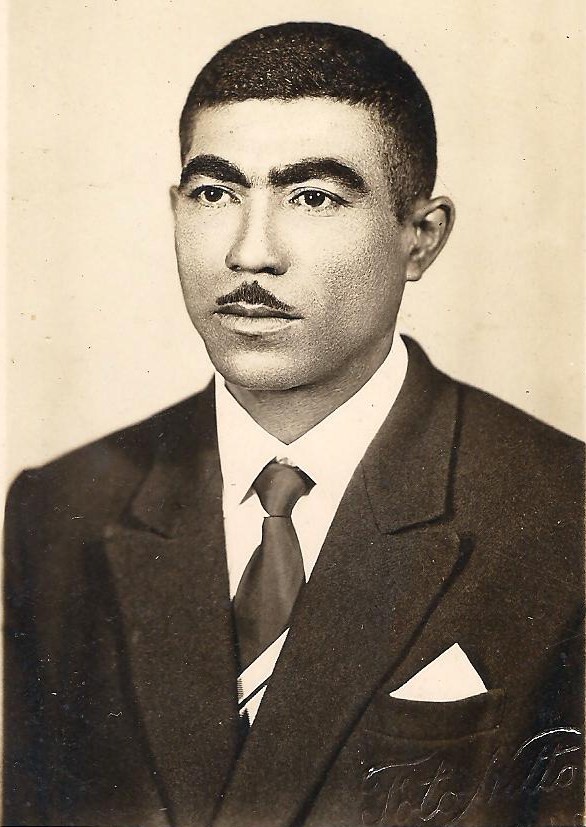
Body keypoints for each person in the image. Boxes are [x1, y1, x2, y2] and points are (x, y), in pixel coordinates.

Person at [3, 21, 584, 827]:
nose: (249, 253)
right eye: (216, 194)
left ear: (420, 238)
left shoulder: (564, 516)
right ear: (175, 209)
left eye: (313, 197)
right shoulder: (59, 509)